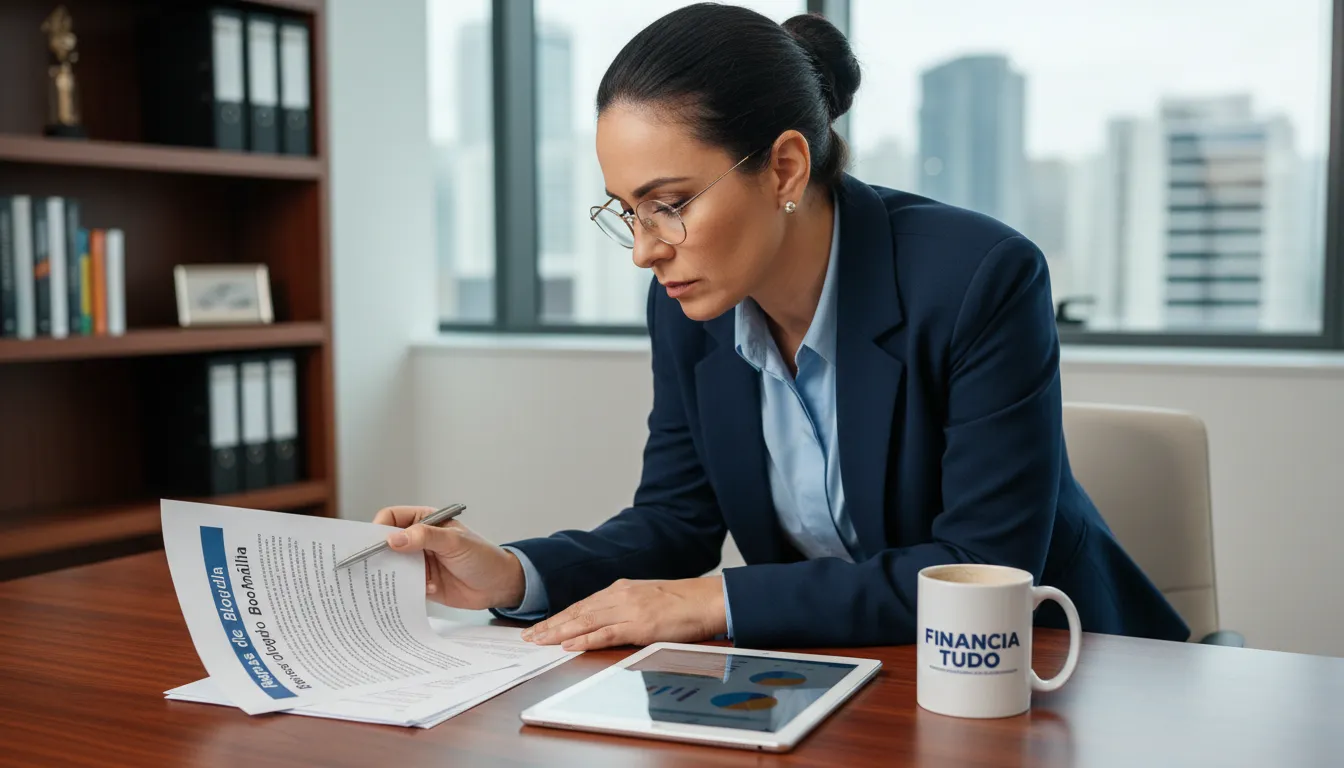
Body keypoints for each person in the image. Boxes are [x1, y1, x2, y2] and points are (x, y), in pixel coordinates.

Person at [376, 3, 1189, 651]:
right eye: (628, 213)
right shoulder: (688, 306)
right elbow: (674, 523)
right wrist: (512, 574)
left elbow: (979, 573)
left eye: (671, 205)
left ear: (786, 168)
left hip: (1053, 672)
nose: (644, 251)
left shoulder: (979, 278)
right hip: (839, 677)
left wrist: (714, 601)